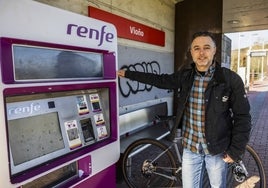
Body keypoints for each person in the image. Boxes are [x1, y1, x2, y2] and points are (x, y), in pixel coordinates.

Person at [117, 31, 252, 188]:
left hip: (216, 151)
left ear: (214, 50)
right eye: (196, 48)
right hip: (190, 149)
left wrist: (236, 150)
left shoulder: (230, 79)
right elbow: (160, 80)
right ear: (191, 52)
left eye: (206, 47)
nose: (201, 53)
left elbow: (243, 117)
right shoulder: (185, 77)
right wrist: (129, 74)